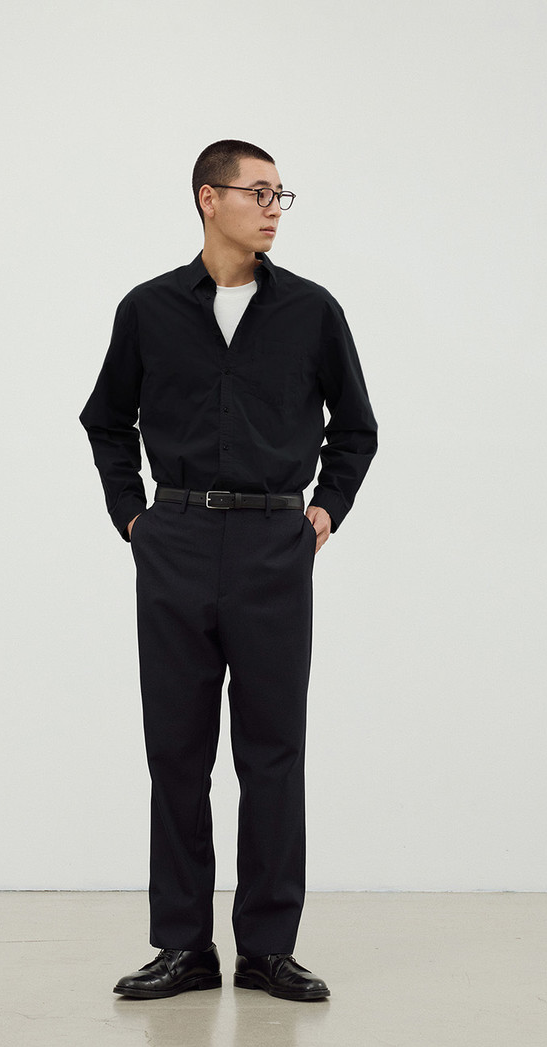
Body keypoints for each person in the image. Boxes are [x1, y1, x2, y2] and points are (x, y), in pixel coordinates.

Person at [79, 139, 377, 1002]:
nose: (275, 207)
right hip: (173, 540)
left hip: (274, 546)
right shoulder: (148, 309)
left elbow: (356, 427)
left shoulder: (312, 311)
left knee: (273, 750)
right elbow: (106, 420)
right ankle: (184, 946)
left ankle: (268, 949)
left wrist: (327, 508)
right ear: (210, 199)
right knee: (176, 751)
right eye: (259, 192)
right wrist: (132, 515)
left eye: (282, 194)